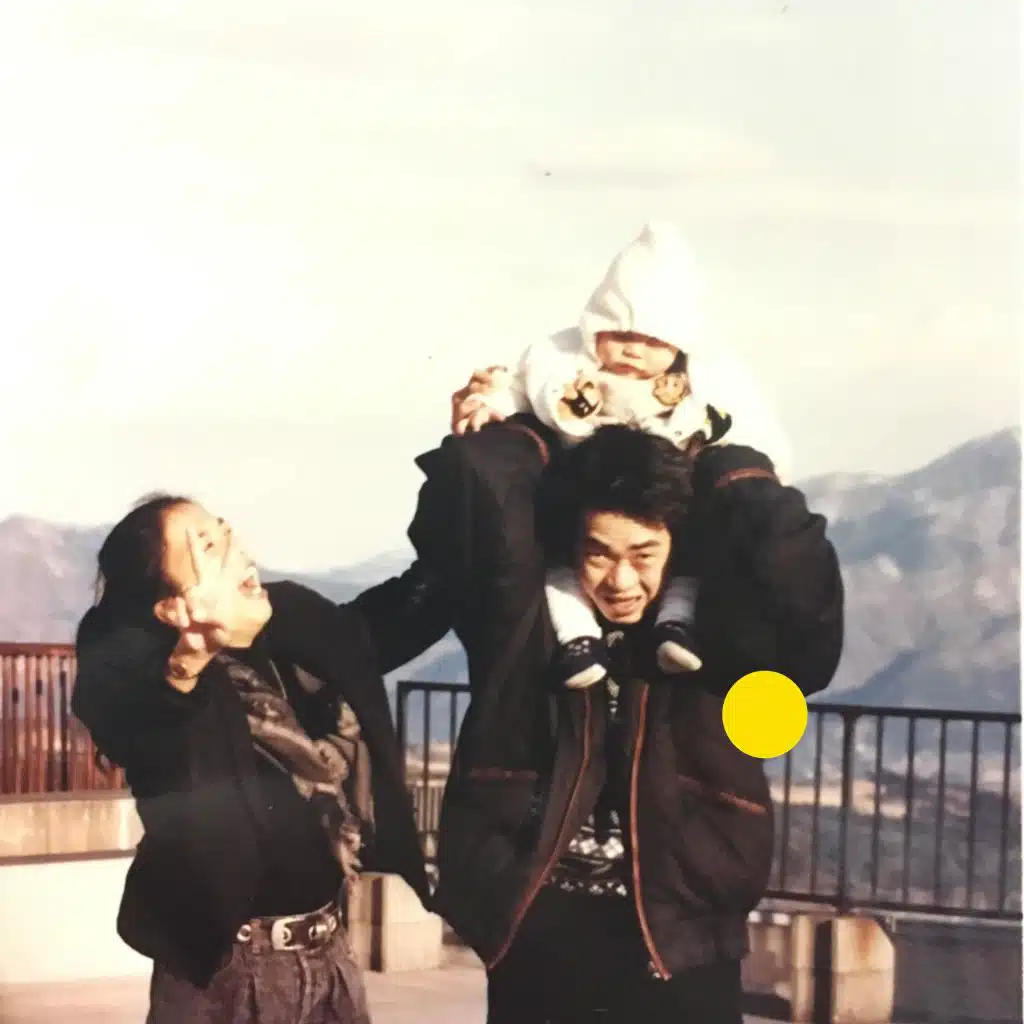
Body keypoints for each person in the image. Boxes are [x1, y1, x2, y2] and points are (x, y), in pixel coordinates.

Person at [407, 416, 843, 1022]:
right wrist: (535, 422)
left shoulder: (722, 630)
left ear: (677, 546)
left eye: (644, 555)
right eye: (599, 555)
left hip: (683, 936)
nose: (621, 581)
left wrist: (732, 468)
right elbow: (476, 481)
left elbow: (805, 605)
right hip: (541, 931)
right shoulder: (525, 624)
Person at [71, 495, 450, 1024]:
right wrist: (189, 659)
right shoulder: (139, 671)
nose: (236, 549)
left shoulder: (289, 625)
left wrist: (471, 494)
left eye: (225, 532)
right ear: (168, 606)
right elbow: (142, 724)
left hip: (329, 957)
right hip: (224, 977)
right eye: (207, 547)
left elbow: (389, 622)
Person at [449, 221, 793, 691]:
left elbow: (754, 426)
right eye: (617, 333)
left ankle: (675, 627)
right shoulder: (563, 364)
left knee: (684, 569)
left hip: (665, 506)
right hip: (580, 501)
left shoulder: (706, 381)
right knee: (563, 569)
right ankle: (576, 640)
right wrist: (488, 403)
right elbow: (516, 389)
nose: (633, 349)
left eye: (652, 340)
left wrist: (760, 478)